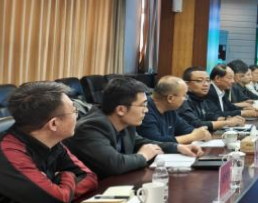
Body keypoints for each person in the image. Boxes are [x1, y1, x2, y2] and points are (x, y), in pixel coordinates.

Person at [67, 78, 201, 178]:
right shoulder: (91, 127)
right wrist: (143, 156)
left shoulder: (126, 123)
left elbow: (141, 142)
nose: (146, 110)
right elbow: (116, 164)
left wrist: (177, 147)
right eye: (143, 105)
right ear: (121, 110)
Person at [137, 76, 212, 144]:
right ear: (170, 98)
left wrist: (201, 133)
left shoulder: (170, 109)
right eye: (184, 95)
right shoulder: (144, 110)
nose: (185, 99)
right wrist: (192, 137)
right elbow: (155, 141)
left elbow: (186, 129)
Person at [177, 67, 245, 132]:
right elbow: (196, 124)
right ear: (186, 84)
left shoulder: (200, 97)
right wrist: (227, 122)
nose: (206, 84)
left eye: (208, 80)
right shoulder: (182, 101)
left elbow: (209, 115)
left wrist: (226, 119)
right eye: (199, 81)